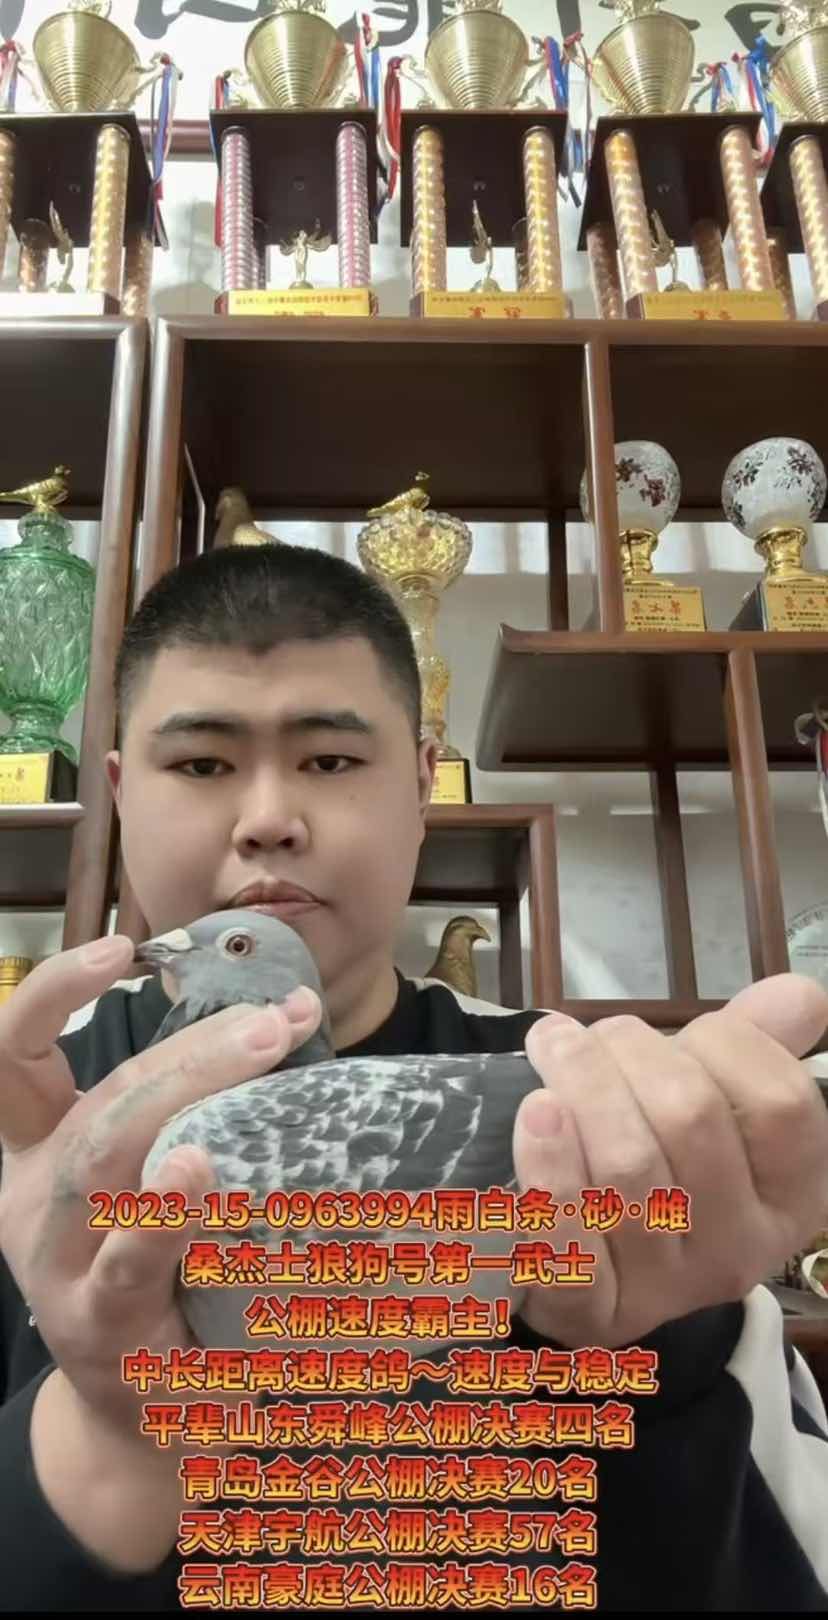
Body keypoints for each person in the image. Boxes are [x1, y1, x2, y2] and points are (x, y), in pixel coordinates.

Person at [0, 542, 827, 1613]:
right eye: (201, 764)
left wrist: (671, 1337)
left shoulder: (599, 1114)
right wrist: (111, 1441)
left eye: (331, 760)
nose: (267, 818)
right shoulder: (26, 1120)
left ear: (424, 786)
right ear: (119, 792)